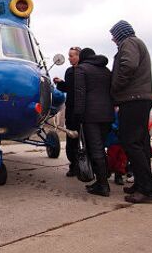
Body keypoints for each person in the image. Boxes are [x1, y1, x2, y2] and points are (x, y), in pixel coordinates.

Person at [109, 20, 152, 203]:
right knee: (140, 143)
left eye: (114, 34)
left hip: (133, 99)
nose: (112, 38)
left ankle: (147, 189)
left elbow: (128, 66)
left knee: (131, 142)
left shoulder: (129, 43)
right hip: (140, 99)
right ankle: (142, 183)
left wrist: (116, 88)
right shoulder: (136, 43)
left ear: (121, 33)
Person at [73, 48, 115, 196]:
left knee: (95, 149)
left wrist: (78, 115)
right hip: (107, 114)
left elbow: (79, 93)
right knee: (101, 147)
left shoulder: (82, 69)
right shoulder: (106, 70)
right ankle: (102, 181)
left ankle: (103, 185)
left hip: (91, 115)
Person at [53, 46, 81, 177]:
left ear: (79, 56)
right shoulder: (69, 71)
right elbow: (70, 88)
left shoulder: (84, 70)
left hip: (84, 111)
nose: (69, 58)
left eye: (71, 56)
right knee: (71, 140)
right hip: (71, 110)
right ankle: (74, 165)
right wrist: (60, 83)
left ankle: (88, 166)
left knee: (88, 140)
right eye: (69, 55)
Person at [105, 109, 127, 186]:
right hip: (113, 139)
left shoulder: (126, 111)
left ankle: (118, 175)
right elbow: (109, 122)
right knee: (112, 157)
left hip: (123, 140)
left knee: (122, 159)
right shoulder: (112, 112)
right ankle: (108, 170)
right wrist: (115, 128)